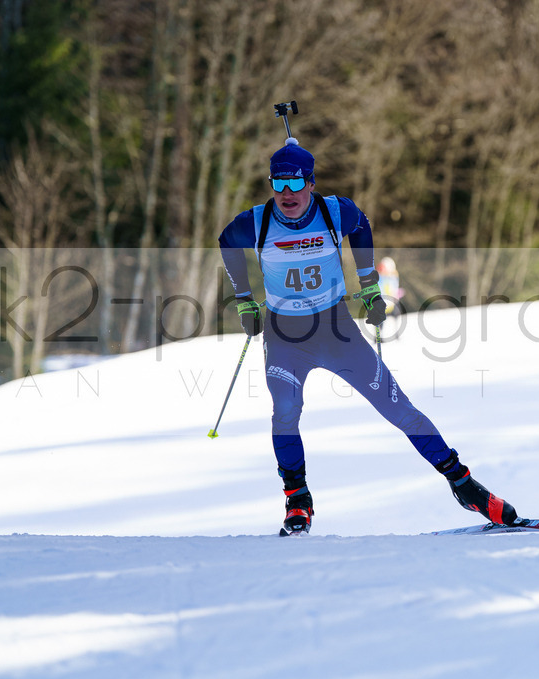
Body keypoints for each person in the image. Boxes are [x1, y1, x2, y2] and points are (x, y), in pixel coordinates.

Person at [218, 137, 518, 534]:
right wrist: (244, 300)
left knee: (398, 408)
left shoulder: (334, 212)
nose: (286, 194)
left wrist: (369, 284)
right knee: (285, 411)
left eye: (294, 184)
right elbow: (227, 241)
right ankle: (297, 500)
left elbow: (361, 225)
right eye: (278, 185)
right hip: (284, 336)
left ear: (310, 183)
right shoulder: (256, 222)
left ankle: (464, 485)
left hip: (335, 329)